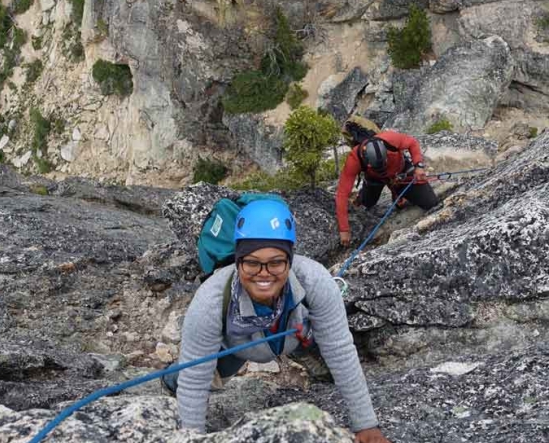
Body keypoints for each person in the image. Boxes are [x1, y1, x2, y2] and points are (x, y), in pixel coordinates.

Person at [162, 199, 391, 443]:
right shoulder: (212, 301)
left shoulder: (314, 280)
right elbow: (195, 381)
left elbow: (340, 349)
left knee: (325, 348)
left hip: (297, 334)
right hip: (237, 346)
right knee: (204, 378)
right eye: (251, 262)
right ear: (237, 261)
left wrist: (366, 425)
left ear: (290, 260)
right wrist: (192, 437)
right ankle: (170, 379)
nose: (263, 273)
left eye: (276, 262)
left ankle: (315, 369)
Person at [336, 115, 439, 246]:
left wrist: (418, 166)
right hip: (375, 178)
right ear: (367, 163)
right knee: (367, 203)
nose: (382, 166)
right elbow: (342, 194)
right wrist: (344, 229)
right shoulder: (354, 159)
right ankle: (362, 196)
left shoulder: (390, 139)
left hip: (400, 171)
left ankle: (397, 192)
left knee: (430, 202)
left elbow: (412, 143)